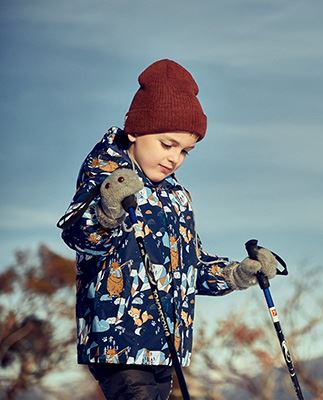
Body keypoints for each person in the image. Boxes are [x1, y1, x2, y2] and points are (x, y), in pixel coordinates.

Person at [57, 59, 278, 400]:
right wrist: (107, 210)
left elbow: (191, 265)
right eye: (167, 144)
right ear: (136, 131)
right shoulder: (107, 174)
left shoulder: (176, 196)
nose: (175, 158)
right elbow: (77, 235)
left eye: (186, 150)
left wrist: (236, 273)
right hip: (119, 339)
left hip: (166, 343)